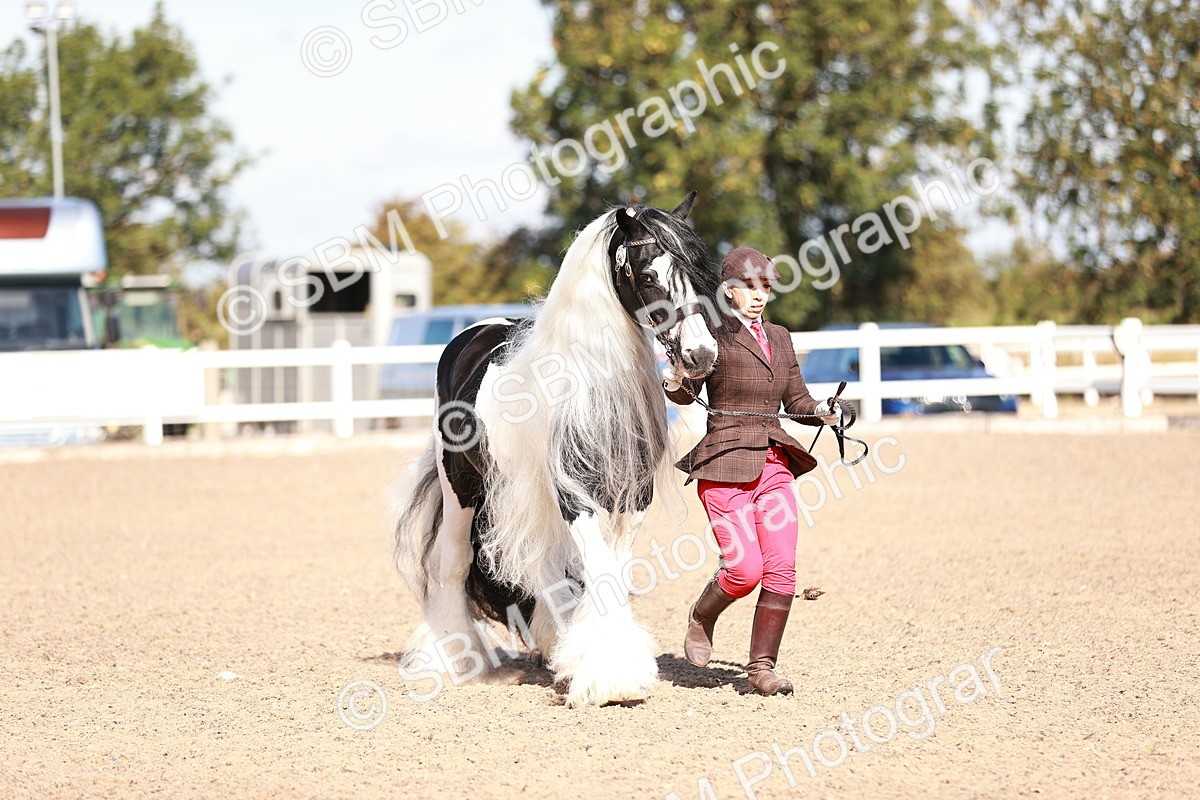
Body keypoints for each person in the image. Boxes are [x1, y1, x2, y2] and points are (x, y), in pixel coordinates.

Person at [662, 247, 839, 696]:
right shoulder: (713, 335)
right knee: (744, 570)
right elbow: (687, 396)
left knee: (781, 569)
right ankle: (704, 614)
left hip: (774, 465)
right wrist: (675, 378)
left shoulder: (780, 337)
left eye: (766, 288)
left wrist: (826, 410)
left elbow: (796, 400)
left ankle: (762, 668)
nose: (759, 297)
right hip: (725, 466)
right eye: (749, 288)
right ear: (729, 292)